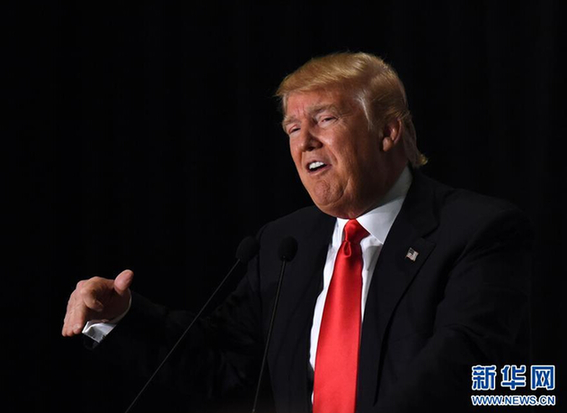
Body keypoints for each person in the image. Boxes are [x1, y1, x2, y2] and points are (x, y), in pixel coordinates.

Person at [62, 52, 533, 412]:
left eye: (325, 119)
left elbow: (465, 368)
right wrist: (123, 317)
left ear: (388, 132)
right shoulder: (284, 243)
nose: (304, 141)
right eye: (292, 128)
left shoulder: (476, 230)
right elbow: (224, 362)